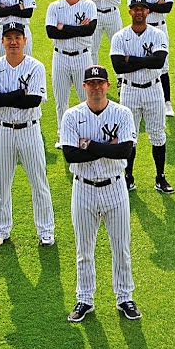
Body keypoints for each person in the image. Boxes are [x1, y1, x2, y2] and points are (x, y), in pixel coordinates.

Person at [60, 66, 142, 323]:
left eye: (100, 83)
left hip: (115, 187)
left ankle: (124, 297)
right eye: (91, 83)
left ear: (108, 85)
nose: (96, 87)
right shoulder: (72, 116)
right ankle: (85, 298)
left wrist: (89, 144)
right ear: (84, 86)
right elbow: (70, 155)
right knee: (84, 249)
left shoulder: (123, 113)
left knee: (121, 247)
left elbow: (125, 152)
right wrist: (108, 147)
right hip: (83, 188)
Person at [0, 20, 53, 246]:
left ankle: (46, 230)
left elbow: (32, 101)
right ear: (2, 41)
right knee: (2, 182)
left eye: (17, 38)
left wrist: (6, 97)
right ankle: (1, 229)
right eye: (9, 38)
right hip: (2, 131)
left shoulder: (35, 67)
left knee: (39, 182)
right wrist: (17, 93)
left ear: (25, 40)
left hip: (30, 130)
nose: (13, 42)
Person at [108, 0, 172, 192]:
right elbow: (118, 65)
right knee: (129, 135)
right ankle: (128, 176)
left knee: (158, 135)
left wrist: (131, 59)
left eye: (142, 9)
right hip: (130, 89)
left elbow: (159, 63)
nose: (138, 12)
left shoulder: (158, 34)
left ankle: (160, 177)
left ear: (148, 12)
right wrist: (146, 60)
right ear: (130, 12)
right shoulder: (120, 36)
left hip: (154, 88)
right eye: (135, 9)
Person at [126, 0, 175, 117]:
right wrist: (156, 5)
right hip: (140, 29)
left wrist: (146, 6)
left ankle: (167, 102)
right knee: (140, 59)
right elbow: (134, 10)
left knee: (163, 65)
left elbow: (167, 7)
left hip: (160, 28)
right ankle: (139, 98)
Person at [44, 0, 98, 119]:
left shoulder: (88, 5)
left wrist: (63, 27)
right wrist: (78, 29)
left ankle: (88, 133)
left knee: (86, 98)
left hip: (83, 57)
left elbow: (89, 30)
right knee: (61, 101)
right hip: (60, 57)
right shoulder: (54, 7)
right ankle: (62, 135)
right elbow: (51, 32)